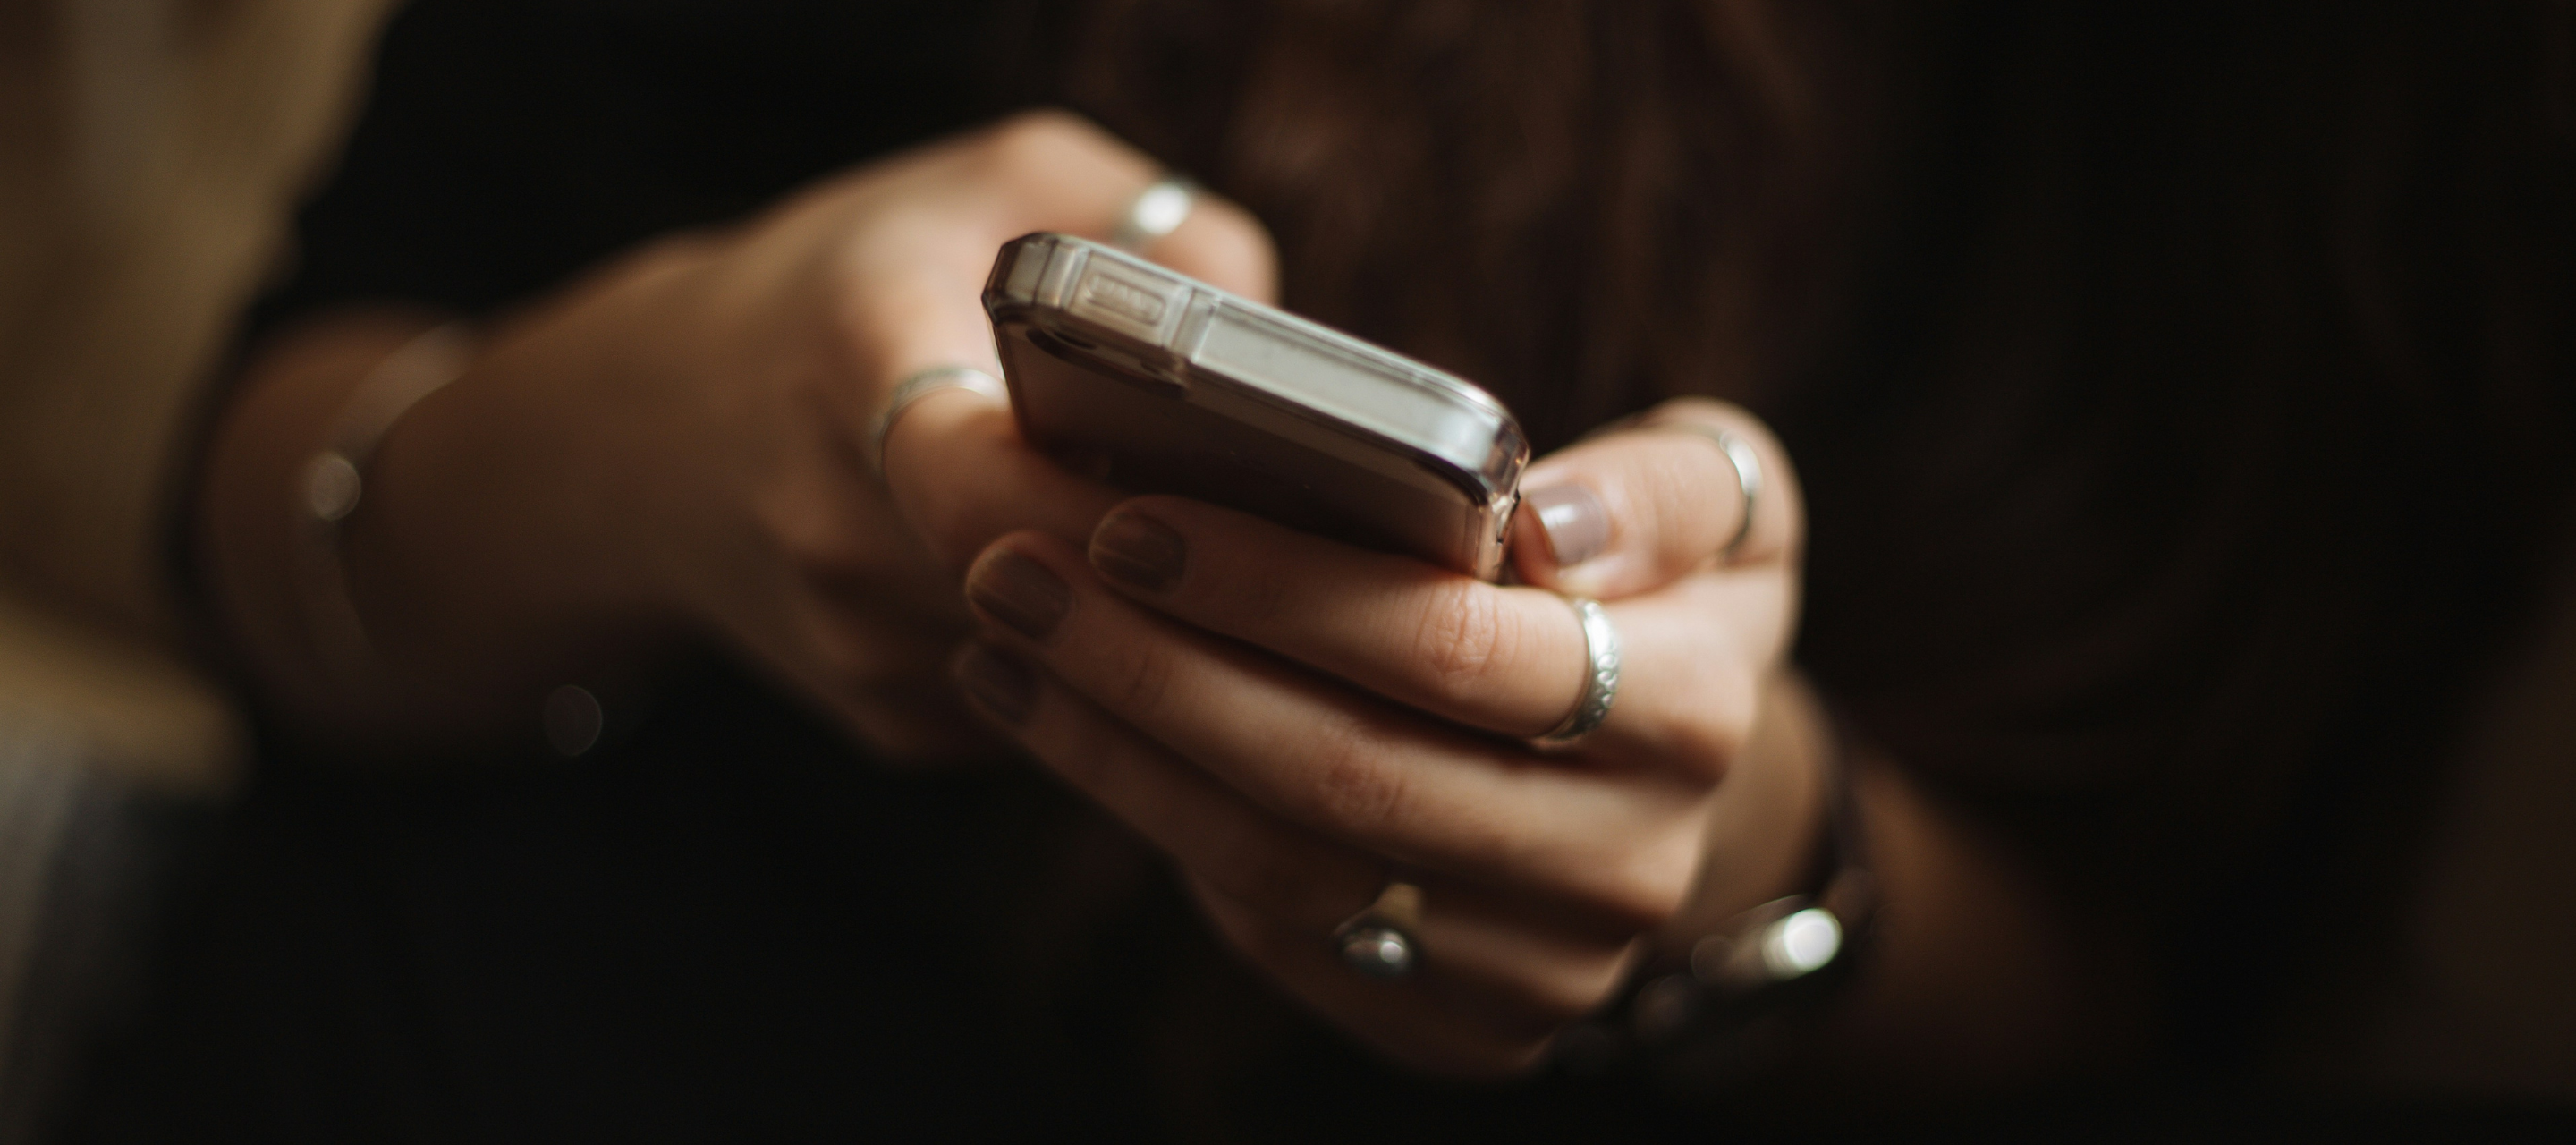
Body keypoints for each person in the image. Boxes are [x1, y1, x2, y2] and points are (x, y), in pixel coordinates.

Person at [55, 0, 2576, 1139]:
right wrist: (668, 424)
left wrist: (1741, 863)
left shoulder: (2380, 102)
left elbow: (2189, 988)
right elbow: (260, 522)